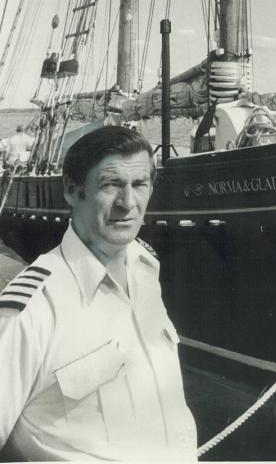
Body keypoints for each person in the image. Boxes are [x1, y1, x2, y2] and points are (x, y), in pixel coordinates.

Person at [0, 126, 197, 461]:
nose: (128, 203)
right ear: (72, 191)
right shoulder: (32, 309)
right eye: (111, 184)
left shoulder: (146, 270)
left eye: (139, 185)